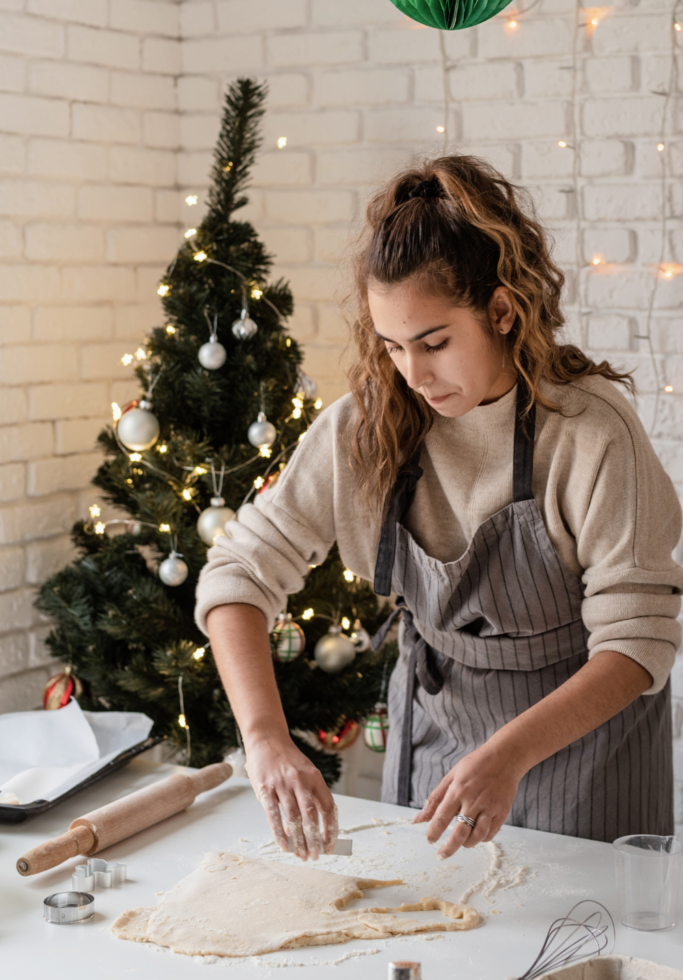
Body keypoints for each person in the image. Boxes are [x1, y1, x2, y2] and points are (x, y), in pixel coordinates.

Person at [197, 155, 683, 863]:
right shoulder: (364, 428)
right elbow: (236, 572)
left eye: (433, 343)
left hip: (589, 755)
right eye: (392, 347)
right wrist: (266, 739)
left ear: (502, 310)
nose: (413, 375)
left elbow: (638, 643)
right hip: (438, 746)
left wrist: (506, 756)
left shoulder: (587, 431)